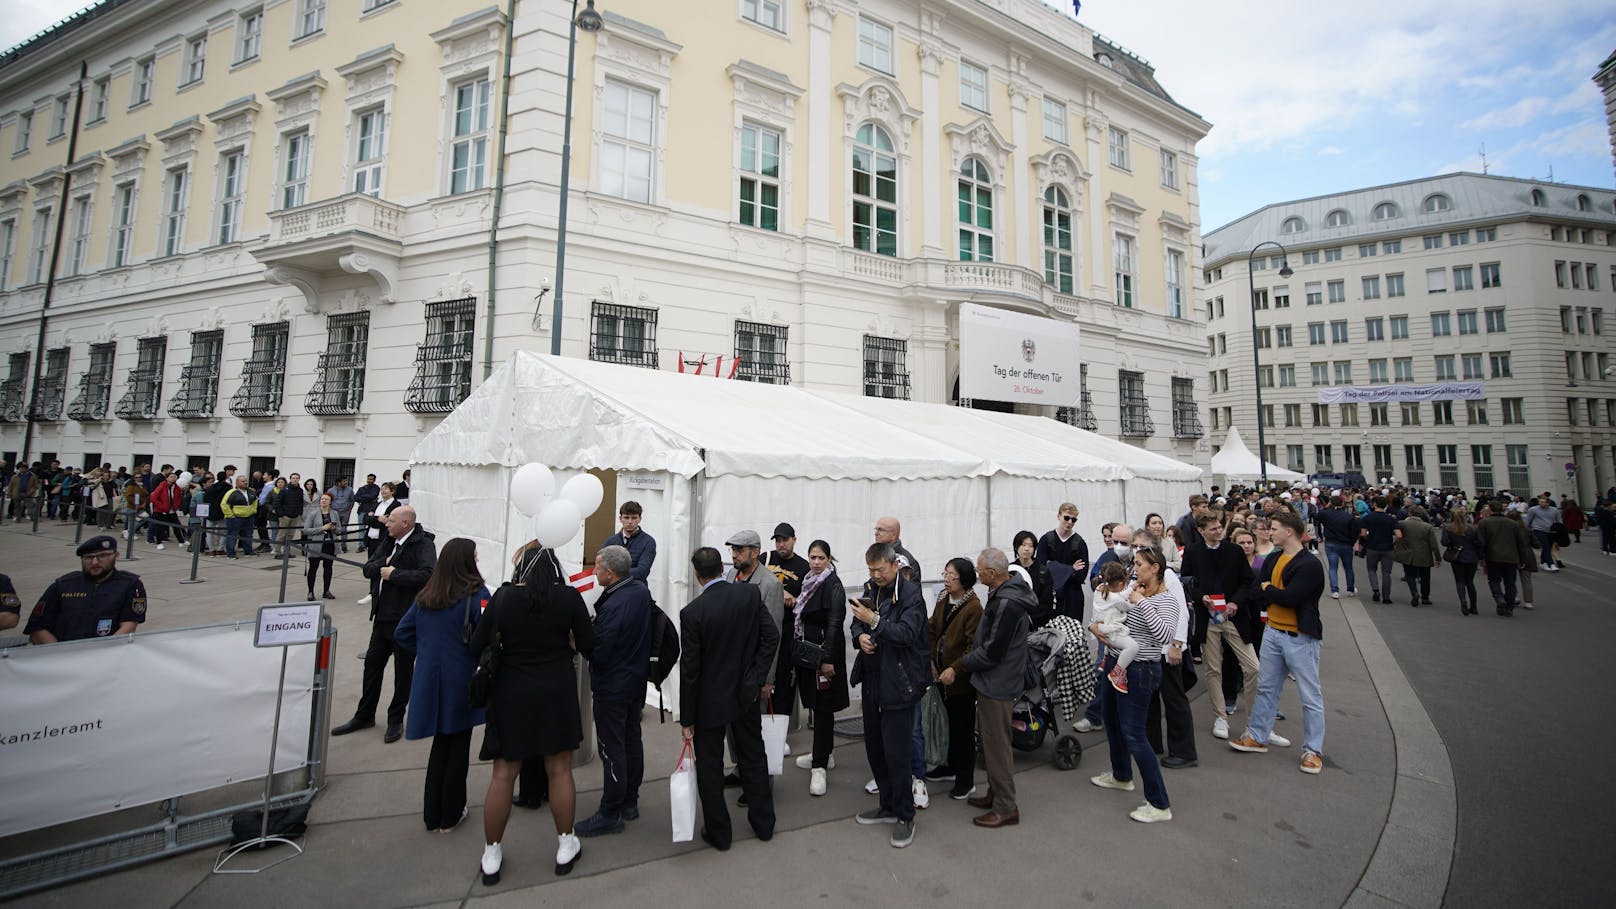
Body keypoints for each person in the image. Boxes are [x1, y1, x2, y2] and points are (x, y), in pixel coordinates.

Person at [474, 546, 596, 882]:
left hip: (511, 691)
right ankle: (565, 843)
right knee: (559, 771)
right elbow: (589, 644)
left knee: (503, 774)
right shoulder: (569, 598)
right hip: (555, 690)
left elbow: (477, 643)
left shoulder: (503, 597)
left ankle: (492, 852)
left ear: (522, 569)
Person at [680, 546, 778, 852]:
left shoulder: (693, 613)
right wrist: (756, 675)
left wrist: (687, 718)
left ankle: (720, 833)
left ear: (697, 575)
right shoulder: (748, 596)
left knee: (710, 768)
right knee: (753, 756)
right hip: (745, 695)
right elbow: (771, 636)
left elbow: (690, 671)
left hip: (709, 702)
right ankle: (764, 824)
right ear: (722, 568)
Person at [394, 538, 490, 833]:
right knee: (457, 746)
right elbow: (485, 635)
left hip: (429, 678)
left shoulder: (427, 594)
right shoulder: (476, 594)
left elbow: (403, 633)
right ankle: (450, 812)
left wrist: (426, 650)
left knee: (440, 746)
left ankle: (432, 813)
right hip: (460, 678)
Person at [1229, 510, 1327, 775]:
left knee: (1310, 695)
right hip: (1273, 631)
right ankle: (1258, 735)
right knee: (1266, 687)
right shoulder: (1273, 558)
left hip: (1300, 636)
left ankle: (1312, 750)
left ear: (1289, 531)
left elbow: (1291, 598)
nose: (1269, 532)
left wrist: (1268, 591)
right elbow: (1257, 592)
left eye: (1273, 528)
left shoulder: (1309, 564)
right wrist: (1271, 593)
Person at [1088, 544, 1177, 823]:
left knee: (1135, 735)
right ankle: (1121, 775)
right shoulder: (1136, 591)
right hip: (1116, 662)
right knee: (1111, 721)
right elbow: (1113, 611)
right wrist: (1097, 625)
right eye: (1135, 563)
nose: (1134, 568)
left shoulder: (1166, 600)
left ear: (1155, 568)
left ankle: (1159, 803)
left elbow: (1164, 636)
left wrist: (1142, 602)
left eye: (1139, 564)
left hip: (1140, 671)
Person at [849, 542, 929, 848]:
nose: (875, 575)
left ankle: (906, 815)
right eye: (871, 570)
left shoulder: (911, 595)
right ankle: (887, 804)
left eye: (880, 570)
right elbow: (857, 621)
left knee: (897, 753)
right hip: (873, 677)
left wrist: (874, 622)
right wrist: (862, 637)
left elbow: (907, 635)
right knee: (875, 747)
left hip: (900, 681)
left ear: (895, 565)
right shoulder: (872, 588)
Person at [337, 506, 437, 743]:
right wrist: (385, 564)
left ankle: (395, 719)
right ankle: (364, 715)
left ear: (406, 523)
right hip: (382, 618)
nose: (386, 523)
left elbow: (427, 575)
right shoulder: (388, 541)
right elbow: (369, 569)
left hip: (405, 621)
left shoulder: (423, 545)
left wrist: (395, 574)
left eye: (391, 520)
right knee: (372, 667)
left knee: (403, 673)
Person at [575, 545, 654, 838]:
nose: (593, 572)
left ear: (610, 572)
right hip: (634, 680)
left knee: (612, 747)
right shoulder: (638, 591)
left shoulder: (616, 603)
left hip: (614, 685)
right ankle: (629, 801)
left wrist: (583, 640)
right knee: (632, 739)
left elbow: (601, 650)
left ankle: (610, 811)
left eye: (596, 567)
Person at [950, 548, 1030, 829]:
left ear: (992, 574)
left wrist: (961, 664)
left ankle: (1006, 807)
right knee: (991, 742)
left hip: (998, 682)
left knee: (996, 747)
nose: (977, 572)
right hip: (994, 680)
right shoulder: (1003, 594)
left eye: (980, 569)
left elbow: (992, 651)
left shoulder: (1007, 602)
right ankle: (996, 794)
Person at [1181, 513, 1259, 742]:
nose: (1218, 531)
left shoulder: (1233, 551)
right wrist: (1200, 596)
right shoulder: (1193, 551)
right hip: (1208, 617)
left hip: (1232, 616)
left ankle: (1255, 719)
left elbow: (1247, 580)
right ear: (1201, 530)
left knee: (1253, 666)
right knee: (1213, 669)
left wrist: (1235, 601)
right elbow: (1186, 579)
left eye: (1219, 528)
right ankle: (1220, 716)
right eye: (1213, 528)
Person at [783, 540, 849, 796]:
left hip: (824, 655)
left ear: (829, 559)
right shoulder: (810, 580)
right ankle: (825, 754)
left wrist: (827, 659)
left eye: (821, 558)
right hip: (809, 655)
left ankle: (819, 766)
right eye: (812, 557)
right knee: (816, 705)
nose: (816, 562)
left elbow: (834, 624)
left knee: (823, 709)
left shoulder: (833, 585)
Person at [924, 556, 981, 801]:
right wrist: (930, 661)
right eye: (945, 574)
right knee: (945, 725)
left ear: (965, 580)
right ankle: (948, 766)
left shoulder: (974, 608)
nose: (946, 579)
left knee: (962, 730)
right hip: (940, 676)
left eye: (952, 576)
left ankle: (965, 780)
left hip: (960, 682)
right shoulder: (942, 598)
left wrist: (955, 669)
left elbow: (973, 647)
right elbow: (932, 629)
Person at [25, 536, 148, 643]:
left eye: (102, 556)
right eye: (88, 557)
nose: (95, 562)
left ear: (116, 556)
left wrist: (103, 653)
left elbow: (128, 626)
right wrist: (58, 652)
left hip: (108, 653)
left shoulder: (129, 584)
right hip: (62, 654)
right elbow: (37, 627)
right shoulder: (63, 585)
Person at [1477, 499, 1531, 616]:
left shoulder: (1484, 523)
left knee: (1494, 581)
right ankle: (1509, 605)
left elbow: (1481, 542)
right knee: (1510, 583)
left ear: (1490, 509)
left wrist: (1481, 558)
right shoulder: (1513, 524)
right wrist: (1523, 560)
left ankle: (1499, 598)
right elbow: (1521, 544)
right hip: (1511, 557)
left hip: (1493, 557)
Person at [1091, 562, 1139, 691]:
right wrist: (1140, 599)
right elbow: (1126, 606)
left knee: (1112, 645)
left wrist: (1133, 587)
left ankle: (1105, 659)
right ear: (1120, 584)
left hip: (1101, 628)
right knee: (1132, 647)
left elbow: (1118, 596)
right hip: (1110, 631)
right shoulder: (1114, 598)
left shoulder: (1100, 588)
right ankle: (1118, 673)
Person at [1036, 503, 1089, 618]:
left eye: (1073, 520)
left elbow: (1081, 575)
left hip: (1073, 597)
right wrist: (1071, 569)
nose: (1070, 522)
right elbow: (1040, 570)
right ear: (1058, 516)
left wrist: (1052, 565)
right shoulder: (1046, 540)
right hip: (1050, 596)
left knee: (1074, 633)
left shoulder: (1080, 543)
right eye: (1066, 517)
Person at [358, 482, 402, 607]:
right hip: (372, 539)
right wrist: (377, 518)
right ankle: (372, 592)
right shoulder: (377, 504)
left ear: (392, 491)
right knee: (371, 565)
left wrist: (375, 519)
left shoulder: (395, 505)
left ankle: (377, 591)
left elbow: (387, 522)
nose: (383, 491)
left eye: (386, 489)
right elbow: (366, 519)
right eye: (382, 489)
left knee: (381, 564)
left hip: (383, 541)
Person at [1393, 505, 1442, 607]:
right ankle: (1425, 597)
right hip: (1424, 555)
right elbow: (1434, 544)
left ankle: (1414, 592)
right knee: (1425, 576)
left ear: (1409, 513)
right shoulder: (1428, 527)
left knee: (1410, 575)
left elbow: (1396, 534)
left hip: (1407, 554)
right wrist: (1438, 558)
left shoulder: (1402, 524)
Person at [1441, 506, 1484, 616]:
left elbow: (1444, 542)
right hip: (1471, 556)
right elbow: (1480, 543)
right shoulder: (1473, 528)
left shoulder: (1448, 527)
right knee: (1470, 581)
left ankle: (1463, 601)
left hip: (1457, 556)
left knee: (1460, 581)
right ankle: (1473, 606)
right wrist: (1480, 556)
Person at [1317, 496, 1361, 599]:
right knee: (1348, 567)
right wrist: (1352, 542)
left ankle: (1335, 590)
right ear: (1342, 503)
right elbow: (1355, 532)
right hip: (1346, 543)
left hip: (1331, 542)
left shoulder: (1326, 514)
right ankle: (1350, 588)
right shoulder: (1349, 517)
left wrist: (1326, 507)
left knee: (1333, 567)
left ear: (1331, 503)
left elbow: (1317, 516)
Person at [1010, 530, 1055, 628]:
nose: (1027, 549)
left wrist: (1030, 619)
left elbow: (1046, 602)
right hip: (1012, 621)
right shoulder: (1009, 570)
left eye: (1030, 546)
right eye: (1023, 545)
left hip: (1037, 623)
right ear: (1016, 547)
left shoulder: (1043, 571)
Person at [1359, 496, 1399, 604]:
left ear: (1374, 504)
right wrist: (1394, 543)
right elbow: (1399, 535)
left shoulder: (1367, 518)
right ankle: (1386, 596)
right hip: (1388, 548)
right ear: (1385, 505)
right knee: (1386, 573)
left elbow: (1363, 533)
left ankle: (1375, 590)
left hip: (1373, 547)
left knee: (1371, 570)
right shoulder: (1391, 519)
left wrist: (1368, 538)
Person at [603, 500, 656, 581]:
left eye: (634, 518)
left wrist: (613, 573)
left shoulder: (648, 542)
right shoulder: (610, 542)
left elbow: (642, 572)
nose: (630, 522)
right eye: (626, 517)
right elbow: (602, 568)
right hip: (614, 590)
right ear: (620, 519)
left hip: (636, 590)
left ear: (640, 519)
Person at [764, 522, 810, 611]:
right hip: (765, 618)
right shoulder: (766, 558)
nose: (781, 544)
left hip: (789, 621)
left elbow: (807, 599)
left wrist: (794, 600)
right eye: (778, 540)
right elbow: (754, 584)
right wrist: (780, 593)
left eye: (785, 540)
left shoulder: (804, 567)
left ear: (794, 540)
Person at [303, 492, 339, 600]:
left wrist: (334, 528)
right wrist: (322, 528)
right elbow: (306, 530)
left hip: (329, 545)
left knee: (328, 568)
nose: (323, 501)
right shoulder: (313, 513)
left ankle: (326, 591)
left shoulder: (334, 513)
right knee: (313, 568)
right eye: (322, 499)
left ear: (330, 502)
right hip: (316, 545)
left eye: (326, 499)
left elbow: (340, 529)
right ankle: (310, 592)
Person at [873, 516, 923, 583]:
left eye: (880, 530)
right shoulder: (877, 555)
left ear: (893, 535)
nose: (876, 533)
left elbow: (913, 591)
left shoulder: (908, 562)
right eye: (876, 529)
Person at [221, 475, 258, 558]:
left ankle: (248, 551)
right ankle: (230, 553)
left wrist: (253, 510)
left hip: (249, 517)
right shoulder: (231, 492)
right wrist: (230, 515)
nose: (245, 482)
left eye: (246, 481)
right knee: (232, 535)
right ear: (237, 483)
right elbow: (224, 504)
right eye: (242, 481)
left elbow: (255, 501)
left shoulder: (251, 492)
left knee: (248, 535)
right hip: (235, 518)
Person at [1524, 494, 1562, 572]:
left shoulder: (1554, 510)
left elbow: (1559, 521)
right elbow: (1527, 520)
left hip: (1551, 530)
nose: (1541, 503)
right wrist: (1525, 529)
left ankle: (1543, 562)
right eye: (1540, 502)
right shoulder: (1533, 509)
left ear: (1548, 503)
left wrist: (1559, 530)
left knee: (1547, 547)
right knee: (1546, 546)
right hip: (1538, 529)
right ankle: (1551, 564)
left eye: (1543, 502)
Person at [330, 476, 356, 553]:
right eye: (344, 481)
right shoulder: (331, 490)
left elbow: (352, 501)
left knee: (344, 529)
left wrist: (349, 510)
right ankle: (334, 545)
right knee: (334, 529)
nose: (346, 482)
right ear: (339, 482)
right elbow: (329, 501)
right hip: (334, 513)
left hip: (345, 513)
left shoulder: (350, 490)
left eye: (346, 481)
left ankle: (344, 545)